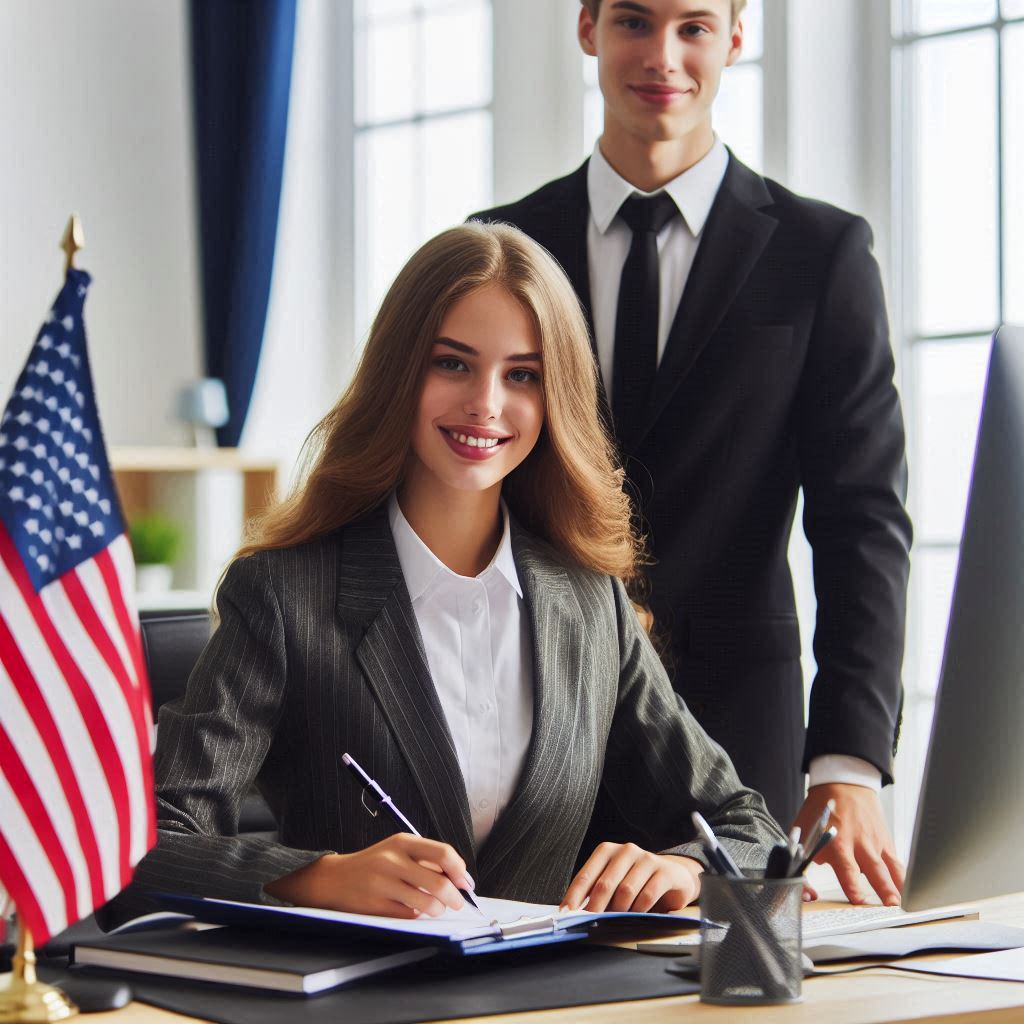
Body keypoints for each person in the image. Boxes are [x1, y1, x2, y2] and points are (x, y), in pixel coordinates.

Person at [114, 223, 782, 923]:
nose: (486, 404)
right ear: (400, 372)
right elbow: (145, 848)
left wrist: (680, 867)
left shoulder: (589, 605)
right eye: (453, 364)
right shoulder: (284, 595)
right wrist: (318, 878)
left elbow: (749, 827)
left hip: (545, 1004)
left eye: (522, 375)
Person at [471, 0, 912, 907]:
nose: (663, 56)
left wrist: (848, 758)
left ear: (735, 38)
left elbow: (863, 518)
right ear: (587, 25)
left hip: (738, 741)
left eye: (694, 27)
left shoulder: (820, 253)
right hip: (530, 721)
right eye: (634, 21)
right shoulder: (501, 248)